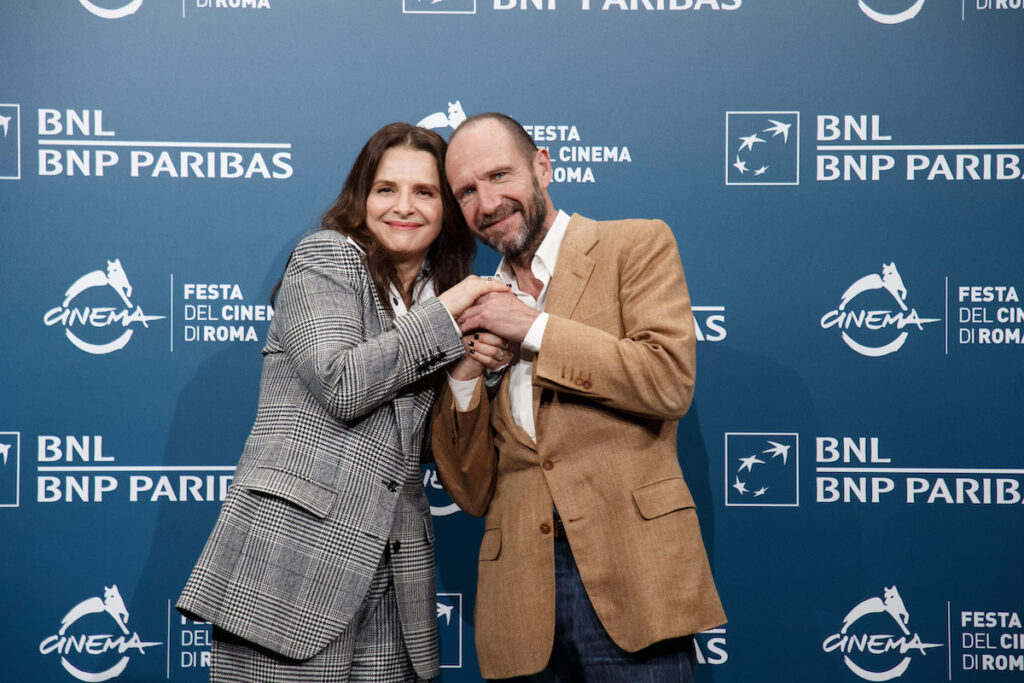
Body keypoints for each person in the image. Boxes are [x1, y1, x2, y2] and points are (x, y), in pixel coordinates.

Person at [177, 122, 508, 683]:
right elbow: (342, 383)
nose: (404, 207)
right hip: (291, 566)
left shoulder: (434, 293)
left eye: (424, 193)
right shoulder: (326, 258)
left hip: (396, 579)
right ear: (362, 198)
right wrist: (449, 313)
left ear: (446, 209)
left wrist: (470, 370)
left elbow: (431, 446)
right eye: (386, 189)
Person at [431, 113, 727, 681]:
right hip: (520, 599)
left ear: (543, 165)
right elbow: (469, 491)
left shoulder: (635, 245)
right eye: (467, 191)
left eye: (499, 176)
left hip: (635, 579)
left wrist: (533, 328)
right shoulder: (467, 303)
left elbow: (668, 380)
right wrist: (466, 374)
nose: (488, 202)